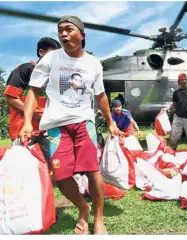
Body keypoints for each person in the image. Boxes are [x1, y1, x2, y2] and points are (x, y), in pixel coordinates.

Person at [19, 15, 117, 235]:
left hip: (84, 121)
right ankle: (83, 207)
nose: (63, 33)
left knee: (93, 171)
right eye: (60, 30)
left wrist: (110, 122)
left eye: (68, 29)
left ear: (82, 35)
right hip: (56, 125)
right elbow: (33, 90)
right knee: (61, 175)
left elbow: (101, 96)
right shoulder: (51, 59)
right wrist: (27, 121)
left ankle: (99, 219)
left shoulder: (93, 63)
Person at [4, 37, 61, 162]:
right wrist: (35, 116)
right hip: (23, 129)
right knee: (22, 167)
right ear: (41, 52)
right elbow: (11, 98)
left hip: (47, 129)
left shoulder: (53, 77)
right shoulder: (25, 69)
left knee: (52, 164)